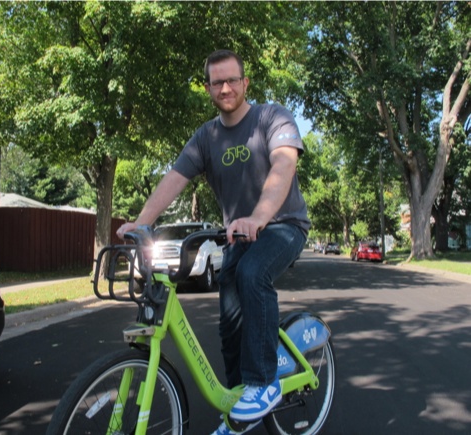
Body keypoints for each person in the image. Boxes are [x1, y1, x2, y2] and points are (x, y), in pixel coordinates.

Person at [117, 49, 310, 435]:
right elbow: (174, 179)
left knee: (254, 275)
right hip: (240, 235)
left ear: (245, 83)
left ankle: (264, 383)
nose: (225, 88)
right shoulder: (206, 137)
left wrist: (259, 216)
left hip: (282, 224)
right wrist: (141, 223)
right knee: (230, 322)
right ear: (207, 88)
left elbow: (283, 164)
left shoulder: (272, 117)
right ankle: (243, 406)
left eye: (231, 80)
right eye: (216, 82)